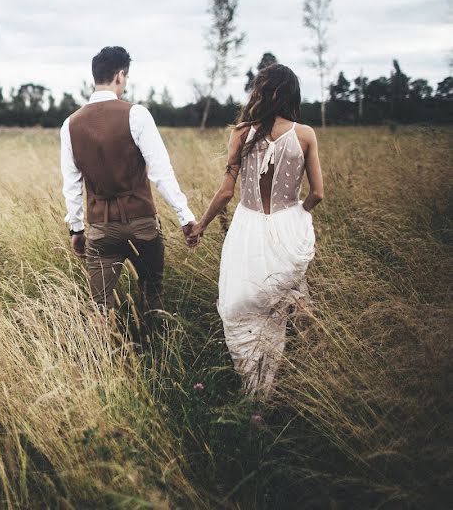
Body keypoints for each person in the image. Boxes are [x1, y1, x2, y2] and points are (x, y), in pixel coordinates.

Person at [190, 63, 324, 396]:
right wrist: (297, 214)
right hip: (286, 228)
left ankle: (254, 384)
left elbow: (225, 193)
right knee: (279, 305)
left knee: (241, 304)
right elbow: (318, 193)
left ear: (260, 91)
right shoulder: (305, 134)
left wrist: (201, 226)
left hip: (247, 229)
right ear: (292, 94)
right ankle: (284, 378)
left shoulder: (241, 133)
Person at [60, 46, 198, 347]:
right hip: (142, 226)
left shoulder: (70, 124)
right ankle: (155, 356)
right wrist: (185, 216)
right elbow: (161, 172)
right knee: (152, 299)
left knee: (99, 307)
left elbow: (71, 184)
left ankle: (104, 366)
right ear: (120, 76)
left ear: (95, 76)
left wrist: (76, 229)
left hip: (100, 228)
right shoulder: (136, 114)